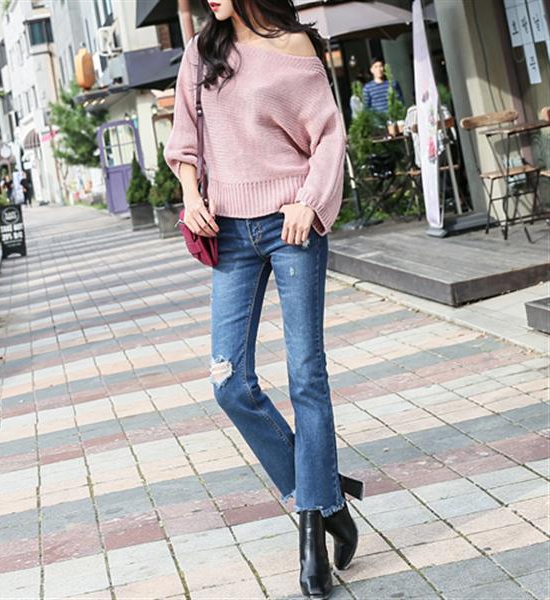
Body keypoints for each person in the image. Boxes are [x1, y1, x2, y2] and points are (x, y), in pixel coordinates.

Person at [164, 2, 364, 598]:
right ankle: (329, 501)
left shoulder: (295, 47)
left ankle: (311, 535)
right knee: (228, 380)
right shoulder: (203, 52)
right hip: (229, 230)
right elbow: (185, 137)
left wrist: (311, 201)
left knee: (306, 377)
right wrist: (190, 193)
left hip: (290, 225)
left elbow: (328, 136)